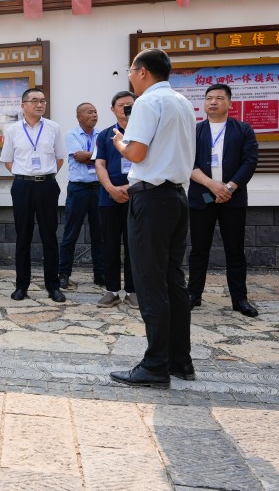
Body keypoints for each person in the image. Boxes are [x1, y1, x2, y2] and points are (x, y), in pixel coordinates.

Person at [109, 48, 196, 388]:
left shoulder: (147, 102)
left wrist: (120, 143)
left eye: (131, 70)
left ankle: (155, 365)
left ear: (143, 71)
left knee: (150, 281)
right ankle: (180, 360)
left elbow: (136, 152)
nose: (130, 76)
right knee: (173, 279)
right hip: (177, 196)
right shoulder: (183, 102)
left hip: (151, 197)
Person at [187, 83, 260, 317]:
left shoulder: (243, 129)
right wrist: (212, 185)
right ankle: (193, 295)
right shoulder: (195, 131)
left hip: (232, 197)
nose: (213, 102)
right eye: (209, 98)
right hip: (202, 196)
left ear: (229, 103)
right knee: (199, 249)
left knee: (235, 250)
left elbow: (250, 161)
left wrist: (228, 188)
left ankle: (240, 299)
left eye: (219, 98)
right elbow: (187, 162)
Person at [0, 87, 67, 303]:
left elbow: (59, 158)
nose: (40, 104)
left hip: (47, 185)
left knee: (49, 236)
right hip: (23, 186)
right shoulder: (13, 130)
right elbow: (8, 160)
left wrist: (44, 175)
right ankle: (21, 286)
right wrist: (25, 175)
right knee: (23, 237)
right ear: (23, 105)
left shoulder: (53, 128)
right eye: (35, 100)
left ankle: (53, 286)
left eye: (43, 101)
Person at [94, 92, 138, 308]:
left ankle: (132, 290)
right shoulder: (104, 135)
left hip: (137, 196)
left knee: (134, 245)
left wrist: (129, 188)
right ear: (113, 109)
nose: (125, 109)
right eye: (121, 105)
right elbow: (99, 164)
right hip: (109, 197)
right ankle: (111, 290)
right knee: (110, 245)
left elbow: (150, 164)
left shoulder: (144, 132)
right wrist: (111, 188)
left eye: (130, 105)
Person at [58, 102, 105, 290]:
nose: (94, 115)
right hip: (78, 189)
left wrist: (90, 156)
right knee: (71, 233)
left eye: (95, 111)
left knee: (99, 234)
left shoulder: (102, 135)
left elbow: (102, 158)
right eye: (89, 112)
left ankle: (100, 274)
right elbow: (79, 156)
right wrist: (97, 157)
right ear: (79, 117)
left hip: (99, 188)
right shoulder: (72, 135)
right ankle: (64, 273)